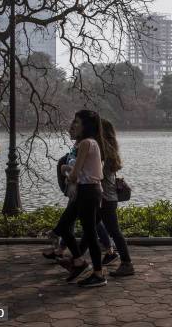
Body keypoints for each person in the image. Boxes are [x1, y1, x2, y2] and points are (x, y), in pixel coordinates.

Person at [43, 119, 114, 264]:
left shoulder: (90, 144)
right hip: (83, 189)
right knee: (85, 224)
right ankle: (75, 256)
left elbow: (80, 171)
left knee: (90, 227)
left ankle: (94, 258)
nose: (71, 130)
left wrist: (65, 169)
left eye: (76, 126)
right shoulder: (86, 144)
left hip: (87, 189)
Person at [54, 110, 107, 287]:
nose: (73, 125)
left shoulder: (86, 143)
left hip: (88, 191)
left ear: (86, 125)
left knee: (90, 233)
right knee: (63, 226)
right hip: (88, 191)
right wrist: (70, 171)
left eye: (77, 122)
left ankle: (97, 274)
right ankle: (78, 262)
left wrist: (64, 170)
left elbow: (75, 175)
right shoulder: (92, 143)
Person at [78, 119, 134, 276]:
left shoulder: (102, 150)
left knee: (113, 231)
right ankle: (76, 258)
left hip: (105, 198)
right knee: (90, 228)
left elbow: (98, 173)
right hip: (107, 196)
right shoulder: (110, 149)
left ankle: (127, 263)